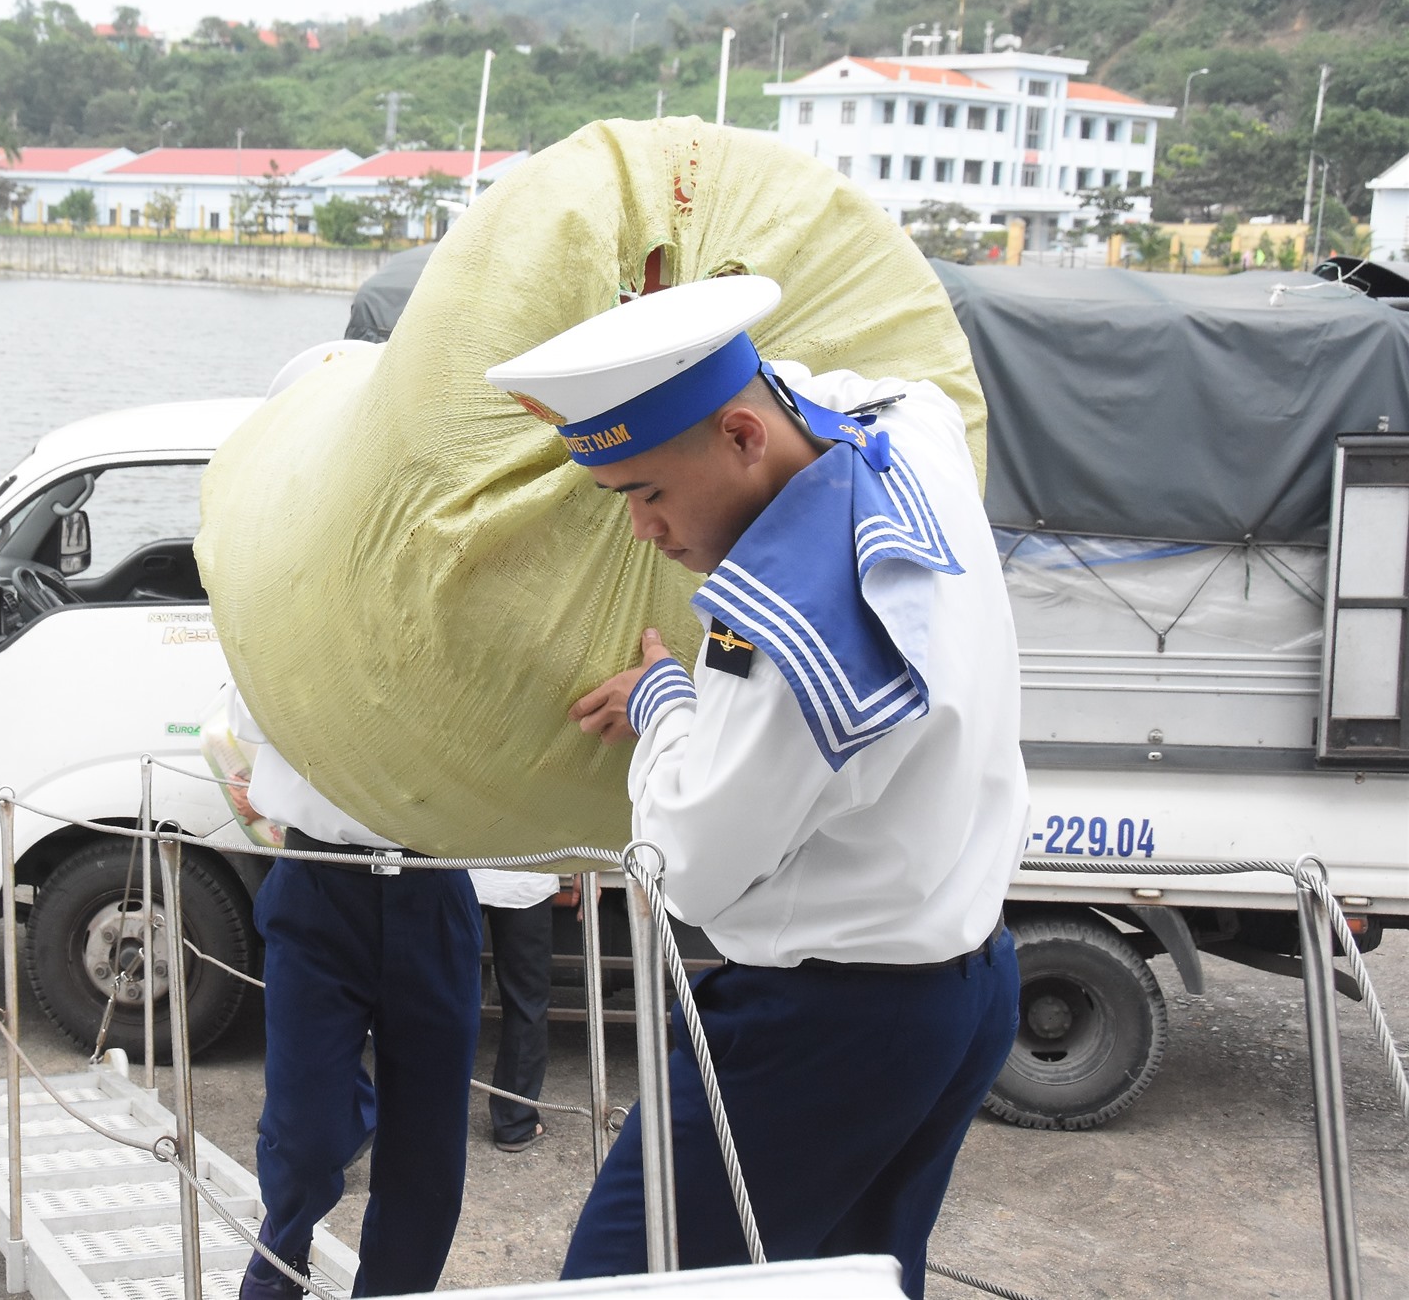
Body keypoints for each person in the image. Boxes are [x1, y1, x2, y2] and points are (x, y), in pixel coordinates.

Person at [485, 274, 1025, 1298]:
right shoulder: (908, 439)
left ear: (741, 436)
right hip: (963, 982)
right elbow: (841, 386)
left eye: (644, 491)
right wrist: (685, 338)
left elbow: (688, 869)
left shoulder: (777, 628)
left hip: (820, 1026)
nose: (640, 530)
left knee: (616, 1279)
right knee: (848, 1282)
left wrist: (663, 703)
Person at [215, 685, 481, 1300]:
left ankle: (392, 1292)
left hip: (433, 880)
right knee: (303, 1133)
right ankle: (278, 1270)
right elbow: (249, 705)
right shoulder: (291, 601)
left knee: (428, 1151)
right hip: (319, 880)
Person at [467, 868, 559, 1152]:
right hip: (527, 872)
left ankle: (430, 1118)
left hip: (458, 872)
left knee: (443, 999)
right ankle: (515, 1122)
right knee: (526, 1003)